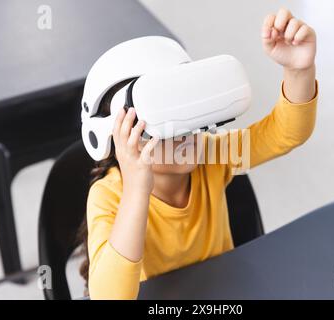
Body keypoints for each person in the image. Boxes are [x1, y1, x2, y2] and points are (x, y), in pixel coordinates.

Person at [79, 8, 319, 299]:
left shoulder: (212, 157)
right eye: (162, 119)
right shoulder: (108, 196)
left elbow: (286, 133)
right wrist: (136, 190)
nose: (184, 130)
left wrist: (299, 69)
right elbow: (109, 296)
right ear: (118, 135)